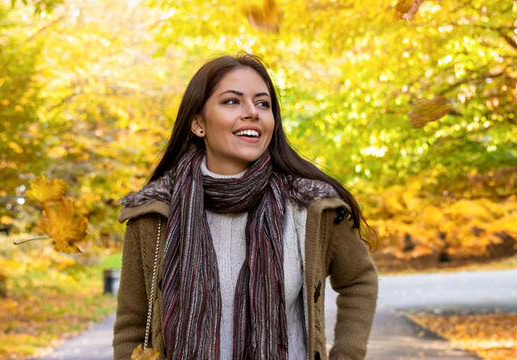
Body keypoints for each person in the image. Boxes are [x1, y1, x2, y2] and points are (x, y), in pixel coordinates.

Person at [112, 54, 378, 360]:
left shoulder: (309, 205)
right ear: (198, 123)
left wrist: (347, 354)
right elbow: (132, 324)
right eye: (232, 102)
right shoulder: (155, 212)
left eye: (263, 104)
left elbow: (359, 280)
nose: (252, 112)